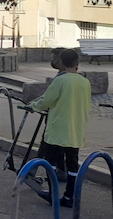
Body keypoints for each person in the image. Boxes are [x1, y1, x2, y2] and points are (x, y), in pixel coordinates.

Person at [29, 48, 92, 207]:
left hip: (58, 128)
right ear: (77, 63)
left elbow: (47, 101)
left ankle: (53, 194)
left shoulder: (60, 80)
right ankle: (70, 196)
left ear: (62, 63)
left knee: (51, 164)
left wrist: (33, 106)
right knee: (72, 165)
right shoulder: (85, 82)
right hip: (76, 128)